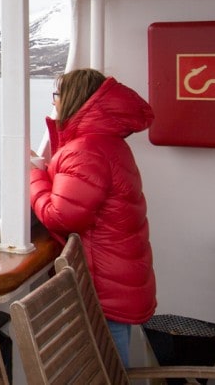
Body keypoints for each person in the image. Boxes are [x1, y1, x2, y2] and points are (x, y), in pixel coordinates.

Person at [29, 68, 156, 367]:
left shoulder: (85, 149)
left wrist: (32, 175)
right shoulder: (105, 141)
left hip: (103, 285)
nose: (54, 103)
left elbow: (61, 217)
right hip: (117, 273)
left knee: (107, 366)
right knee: (111, 360)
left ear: (72, 99)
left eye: (56, 95)